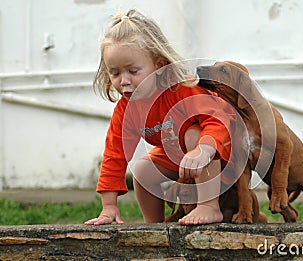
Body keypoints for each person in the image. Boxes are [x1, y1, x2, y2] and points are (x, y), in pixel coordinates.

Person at [84, 9, 235, 226]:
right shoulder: (126, 110)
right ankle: (154, 225)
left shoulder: (182, 90)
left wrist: (204, 150)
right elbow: (114, 155)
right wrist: (109, 207)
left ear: (159, 66)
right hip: (180, 157)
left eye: (133, 71)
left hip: (222, 151)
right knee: (143, 170)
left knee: (193, 135)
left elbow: (218, 120)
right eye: (115, 73)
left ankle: (209, 206)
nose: (124, 81)